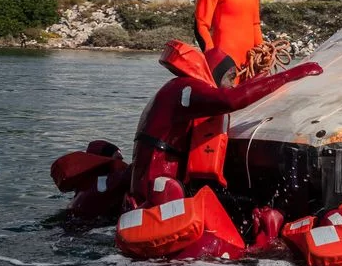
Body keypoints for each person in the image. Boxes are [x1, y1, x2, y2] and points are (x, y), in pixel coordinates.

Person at [128, 40, 321, 206]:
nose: (232, 85)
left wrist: (259, 79)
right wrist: (290, 74)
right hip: (156, 176)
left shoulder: (178, 87)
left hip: (152, 174)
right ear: (214, 73)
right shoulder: (187, 89)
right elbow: (230, 100)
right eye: (230, 77)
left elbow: (229, 94)